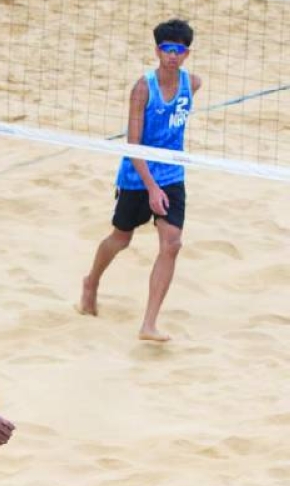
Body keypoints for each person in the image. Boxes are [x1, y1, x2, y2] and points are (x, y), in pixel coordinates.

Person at [79, 18, 202, 342]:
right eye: (166, 49)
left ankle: (149, 323)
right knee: (121, 239)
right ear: (157, 51)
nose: (172, 55)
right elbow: (132, 146)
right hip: (138, 174)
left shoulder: (193, 83)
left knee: (172, 244)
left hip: (172, 172)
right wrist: (151, 188)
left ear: (186, 54)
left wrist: (162, 184)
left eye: (178, 50)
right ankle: (91, 281)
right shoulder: (142, 89)